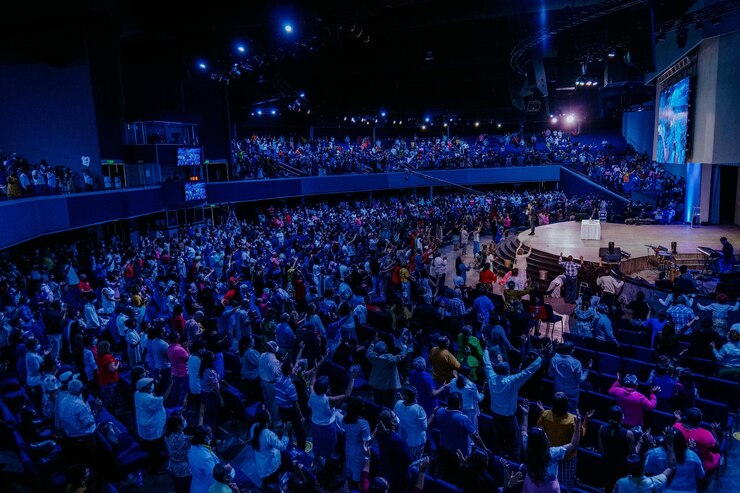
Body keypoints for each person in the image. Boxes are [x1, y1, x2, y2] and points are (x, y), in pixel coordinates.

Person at [482, 339, 544, 458]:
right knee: (515, 445)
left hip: (495, 416)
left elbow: (487, 363)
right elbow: (528, 371)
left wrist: (485, 350)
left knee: (497, 441)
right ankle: (513, 464)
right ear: (508, 371)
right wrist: (541, 357)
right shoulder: (512, 381)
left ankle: (496, 460)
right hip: (508, 419)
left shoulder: (491, 377)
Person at [520, 399, 582, 493]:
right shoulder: (553, 453)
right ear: (544, 440)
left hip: (531, 484)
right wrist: (577, 426)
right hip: (549, 488)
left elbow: (523, 430)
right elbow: (573, 444)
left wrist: (525, 414)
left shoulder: (527, 445)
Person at [430, 392, 488, 484]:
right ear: (460, 404)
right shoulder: (463, 419)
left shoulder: (439, 411)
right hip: (461, 455)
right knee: (460, 478)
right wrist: (485, 448)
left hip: (444, 450)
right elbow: (476, 436)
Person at [537, 394, 590, 492]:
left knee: (549, 484)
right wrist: (585, 419)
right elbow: (581, 435)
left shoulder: (545, 414)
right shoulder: (573, 420)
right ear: (566, 405)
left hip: (550, 455)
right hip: (567, 458)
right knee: (564, 487)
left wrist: (542, 412)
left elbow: (540, 432)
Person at [309, 367, 357, 462]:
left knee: (317, 444)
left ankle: (317, 462)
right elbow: (346, 395)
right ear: (327, 389)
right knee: (329, 448)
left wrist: (315, 372)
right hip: (327, 428)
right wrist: (352, 379)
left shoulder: (312, 394)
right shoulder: (329, 401)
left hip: (314, 425)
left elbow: (311, 384)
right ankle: (328, 467)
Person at [644, 428, 704, 493]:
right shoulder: (693, 456)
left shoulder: (655, 454)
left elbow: (648, 471)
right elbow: (701, 475)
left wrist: (651, 450)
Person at [135, 376, 170, 473]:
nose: (152, 385)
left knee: (150, 448)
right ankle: (156, 468)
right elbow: (163, 399)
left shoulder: (137, 394)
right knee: (155, 449)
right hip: (152, 429)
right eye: (150, 384)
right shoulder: (147, 399)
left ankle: (153, 463)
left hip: (145, 427)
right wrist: (170, 385)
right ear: (145, 387)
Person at [599, 406, 637, 492]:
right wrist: (640, 443)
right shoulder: (628, 434)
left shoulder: (601, 429)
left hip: (607, 466)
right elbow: (633, 455)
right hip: (622, 469)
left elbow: (602, 452)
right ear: (622, 418)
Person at [673, 408, 721, 475]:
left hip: (678, 457)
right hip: (700, 462)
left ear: (686, 418)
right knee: (717, 455)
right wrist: (714, 431)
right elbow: (716, 450)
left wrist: (678, 419)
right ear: (700, 421)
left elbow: (676, 426)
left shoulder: (676, 427)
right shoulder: (706, 434)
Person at [376, 408, 413, 493]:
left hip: (385, 471)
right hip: (398, 477)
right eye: (395, 416)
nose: (397, 417)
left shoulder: (380, 435)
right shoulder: (398, 441)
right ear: (392, 422)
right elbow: (409, 460)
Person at [366, 335, 409, 408]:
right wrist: (405, 344)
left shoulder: (372, 356)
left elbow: (369, 351)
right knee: (388, 402)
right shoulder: (389, 358)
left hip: (376, 382)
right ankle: (387, 416)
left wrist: (373, 342)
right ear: (385, 350)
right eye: (386, 346)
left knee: (377, 402)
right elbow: (401, 356)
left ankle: (378, 414)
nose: (387, 347)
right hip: (387, 385)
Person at [249, 407, 288, 486]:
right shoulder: (268, 435)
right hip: (271, 467)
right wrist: (286, 432)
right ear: (267, 421)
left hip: (261, 465)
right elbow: (283, 447)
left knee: (267, 485)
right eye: (270, 417)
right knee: (275, 485)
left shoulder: (253, 427)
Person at [548, 342, 591, 412]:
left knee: (557, 412)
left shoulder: (554, 359)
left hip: (558, 391)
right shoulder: (576, 363)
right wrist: (588, 369)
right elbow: (580, 379)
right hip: (572, 394)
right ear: (572, 350)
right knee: (570, 414)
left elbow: (550, 374)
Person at [274, 360, 306, 450]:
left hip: (281, 410)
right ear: (289, 371)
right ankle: (301, 451)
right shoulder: (290, 386)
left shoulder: (278, 379)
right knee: (300, 432)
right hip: (290, 412)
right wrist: (301, 416)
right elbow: (295, 403)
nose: (294, 368)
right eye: (293, 368)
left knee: (287, 431)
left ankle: (289, 448)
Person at [393, 386, 427, 460]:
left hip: (402, 440)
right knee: (414, 463)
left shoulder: (398, 403)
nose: (417, 396)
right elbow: (424, 428)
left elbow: (396, 420)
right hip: (415, 443)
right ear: (414, 397)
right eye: (416, 395)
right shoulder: (419, 409)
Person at [343, 399, 372, 484]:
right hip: (359, 450)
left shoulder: (345, 418)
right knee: (360, 474)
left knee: (350, 466)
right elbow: (367, 441)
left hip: (348, 446)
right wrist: (375, 432)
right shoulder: (363, 423)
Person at [165, 414, 195, 493]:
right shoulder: (184, 439)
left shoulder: (167, 434)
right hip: (184, 470)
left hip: (172, 466)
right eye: (183, 420)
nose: (185, 421)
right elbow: (198, 435)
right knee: (186, 489)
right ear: (179, 426)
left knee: (177, 486)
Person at [188, 425, 220, 493]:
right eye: (211, 432)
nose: (212, 434)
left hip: (195, 486)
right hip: (205, 489)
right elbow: (213, 478)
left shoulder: (192, 448)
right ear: (206, 437)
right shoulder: (207, 459)